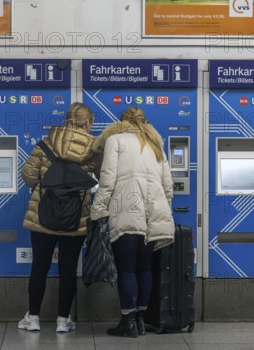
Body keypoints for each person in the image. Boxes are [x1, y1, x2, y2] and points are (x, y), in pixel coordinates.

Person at [90, 106, 175, 338]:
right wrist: (162, 209)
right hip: (153, 214)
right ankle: (139, 321)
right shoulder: (155, 144)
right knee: (144, 268)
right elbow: (168, 186)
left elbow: (107, 179)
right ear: (145, 122)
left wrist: (98, 210)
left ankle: (127, 322)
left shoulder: (115, 140)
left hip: (126, 209)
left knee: (126, 269)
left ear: (121, 122)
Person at [18, 102, 101, 333]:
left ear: (66, 120)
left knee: (39, 267)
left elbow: (28, 177)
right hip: (76, 218)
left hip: (42, 216)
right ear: (88, 122)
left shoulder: (45, 144)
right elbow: (103, 176)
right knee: (68, 269)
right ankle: (63, 320)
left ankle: (33, 318)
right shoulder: (92, 149)